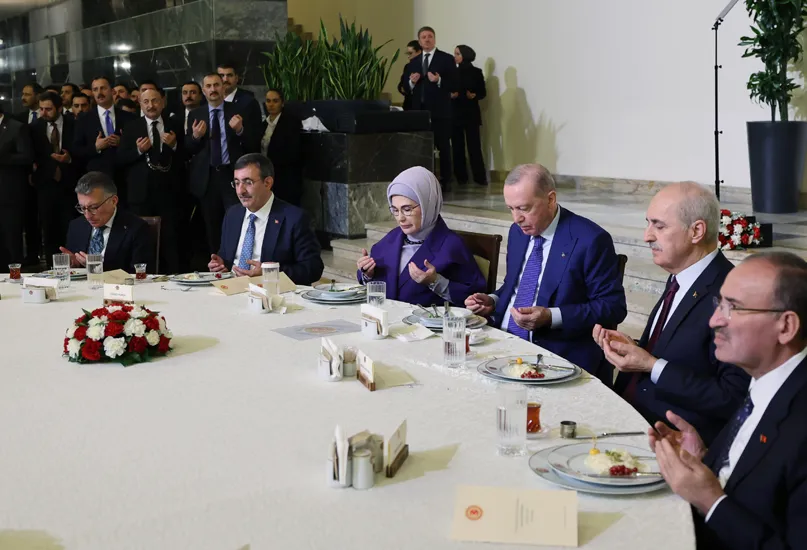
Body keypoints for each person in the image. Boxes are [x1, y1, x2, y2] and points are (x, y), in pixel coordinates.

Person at [649, 252, 807, 550]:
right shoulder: (764, 382)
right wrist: (704, 459)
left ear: (786, 326)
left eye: (733, 308)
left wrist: (710, 501)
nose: (714, 320)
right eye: (719, 304)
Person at [594, 183, 749, 444]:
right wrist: (636, 350)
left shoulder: (732, 293)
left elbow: (731, 396)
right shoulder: (680, 276)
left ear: (696, 231)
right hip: (629, 419)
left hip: (676, 441)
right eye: (648, 224)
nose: (647, 236)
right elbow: (675, 352)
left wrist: (651, 365)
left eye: (659, 226)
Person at [465, 164, 626, 384]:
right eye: (510, 208)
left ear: (551, 199)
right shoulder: (517, 232)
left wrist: (552, 317)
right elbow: (516, 286)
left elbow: (613, 307)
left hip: (556, 353)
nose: (516, 218)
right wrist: (493, 300)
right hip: (502, 344)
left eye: (523, 208)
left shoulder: (590, 240)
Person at [357, 167, 486, 307]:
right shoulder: (392, 238)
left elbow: (475, 298)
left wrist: (436, 282)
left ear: (428, 205)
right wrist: (368, 274)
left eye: (407, 209)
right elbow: (375, 283)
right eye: (395, 210)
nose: (400, 218)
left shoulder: (452, 245)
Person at [208, 153, 323, 285]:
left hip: (271, 292)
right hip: (232, 288)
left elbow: (313, 268)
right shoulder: (233, 214)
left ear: (267, 183)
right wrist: (221, 265)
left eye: (248, 182)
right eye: (237, 183)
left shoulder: (294, 218)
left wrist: (270, 273)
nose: (240, 191)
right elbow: (226, 257)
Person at [186, 73, 258, 254]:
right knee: (212, 226)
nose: (213, 89)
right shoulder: (195, 114)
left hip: (232, 176)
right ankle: (217, 263)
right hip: (207, 178)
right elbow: (188, 149)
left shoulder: (238, 110)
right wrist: (195, 137)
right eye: (209, 86)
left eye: (216, 85)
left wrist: (240, 130)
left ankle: (239, 260)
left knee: (237, 220)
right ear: (203, 90)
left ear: (223, 88)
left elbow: (253, 145)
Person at [117, 87, 184, 274]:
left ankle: (172, 277)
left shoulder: (175, 124)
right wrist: (138, 150)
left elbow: (186, 156)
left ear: (162, 102)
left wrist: (175, 145)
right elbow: (120, 159)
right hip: (140, 194)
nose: (151, 105)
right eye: (146, 102)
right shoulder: (131, 127)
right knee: (141, 240)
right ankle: (142, 276)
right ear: (140, 103)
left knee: (170, 241)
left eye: (155, 101)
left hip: (169, 193)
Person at [399, 26, 458, 190]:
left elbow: (455, 84)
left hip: (440, 112)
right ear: (419, 41)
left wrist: (439, 80)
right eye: (423, 37)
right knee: (421, 148)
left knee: (443, 147)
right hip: (419, 113)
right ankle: (423, 181)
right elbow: (405, 87)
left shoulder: (446, 59)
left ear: (434, 39)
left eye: (430, 36)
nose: (427, 39)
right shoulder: (413, 62)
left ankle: (446, 181)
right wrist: (411, 82)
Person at [61, 171, 152, 272]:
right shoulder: (76, 226)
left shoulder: (137, 229)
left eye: (94, 207)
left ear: (113, 201)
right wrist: (74, 265)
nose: (88, 215)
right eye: (82, 208)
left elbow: (139, 274)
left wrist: (98, 268)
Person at [31, 91, 77, 264]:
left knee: (70, 228)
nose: (43, 113)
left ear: (59, 108)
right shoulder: (35, 127)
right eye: (41, 109)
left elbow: (82, 150)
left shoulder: (74, 124)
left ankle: (73, 267)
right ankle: (52, 268)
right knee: (49, 229)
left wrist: (70, 159)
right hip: (46, 184)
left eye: (48, 109)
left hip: (70, 184)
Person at [72, 76, 137, 200]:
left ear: (112, 91)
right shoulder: (83, 119)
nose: (99, 93)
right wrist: (96, 147)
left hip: (125, 178)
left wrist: (122, 142)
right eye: (95, 89)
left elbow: (137, 146)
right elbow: (76, 150)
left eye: (103, 88)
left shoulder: (129, 118)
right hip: (97, 181)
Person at [0, 103, 34, 267]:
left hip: (10, 194)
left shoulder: (16, 127)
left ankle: (15, 273)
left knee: (12, 238)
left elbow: (27, 157)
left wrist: (3, 158)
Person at [13, 82, 43, 266]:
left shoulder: (46, 115)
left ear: (38, 96)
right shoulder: (18, 119)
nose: (23, 98)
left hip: (45, 173)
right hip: (24, 177)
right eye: (22, 94)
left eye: (27, 94)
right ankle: (31, 256)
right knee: (28, 217)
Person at [452, 45, 487, 186]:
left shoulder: (476, 72)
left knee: (474, 146)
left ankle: (479, 177)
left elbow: (482, 92)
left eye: (457, 54)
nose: (455, 56)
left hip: (471, 113)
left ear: (464, 55)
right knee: (457, 147)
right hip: (455, 112)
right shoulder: (452, 72)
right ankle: (461, 177)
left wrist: (474, 95)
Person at [261, 88, 303, 206]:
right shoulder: (263, 125)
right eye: (268, 101)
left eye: (275, 101)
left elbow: (294, 152)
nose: (271, 104)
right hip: (267, 175)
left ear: (282, 103)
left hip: (285, 177)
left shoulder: (291, 123)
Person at [398, 40, 422, 111]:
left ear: (419, 52)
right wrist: (410, 85)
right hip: (408, 106)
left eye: (410, 53)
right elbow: (400, 86)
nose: (408, 56)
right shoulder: (408, 66)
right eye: (407, 53)